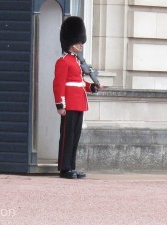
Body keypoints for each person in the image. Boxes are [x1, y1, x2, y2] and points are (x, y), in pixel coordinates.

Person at [53, 16, 103, 179]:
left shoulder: (77, 62)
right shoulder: (63, 61)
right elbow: (58, 84)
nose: (81, 44)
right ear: (70, 42)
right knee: (67, 137)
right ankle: (64, 168)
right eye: (78, 42)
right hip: (69, 105)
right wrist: (60, 105)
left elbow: (81, 83)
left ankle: (71, 166)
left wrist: (93, 87)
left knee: (75, 137)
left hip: (79, 103)